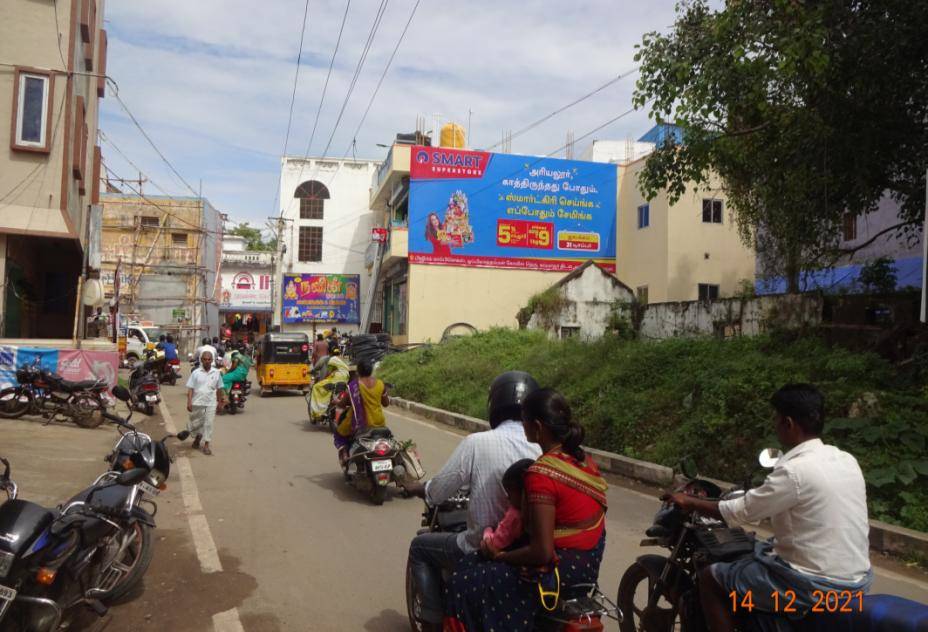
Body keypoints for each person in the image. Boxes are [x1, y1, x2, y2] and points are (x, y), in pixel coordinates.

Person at [663, 384, 873, 632]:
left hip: (810, 586)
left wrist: (689, 501)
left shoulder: (794, 470)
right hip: (857, 582)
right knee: (761, 548)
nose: (775, 425)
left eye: (776, 419)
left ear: (788, 423)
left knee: (711, 578)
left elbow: (740, 511)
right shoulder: (846, 460)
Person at [443, 387, 608, 631]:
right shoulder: (583, 462)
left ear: (538, 427)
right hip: (588, 566)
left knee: (462, 580)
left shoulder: (540, 475)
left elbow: (541, 551)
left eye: (525, 421)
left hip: (558, 570)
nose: (523, 426)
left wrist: (502, 556)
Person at [402, 371, 542, 632]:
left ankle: (432, 621)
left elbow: (439, 491)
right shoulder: (544, 446)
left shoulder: (477, 443)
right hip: (533, 546)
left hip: (480, 545)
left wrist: (421, 489)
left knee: (419, 547)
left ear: (495, 405)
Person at [333, 359, 390, 464]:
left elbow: (342, 404)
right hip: (379, 423)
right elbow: (386, 403)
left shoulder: (353, 386)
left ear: (358, 372)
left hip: (360, 424)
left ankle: (345, 454)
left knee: (339, 433)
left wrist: (336, 401)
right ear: (371, 370)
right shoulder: (380, 384)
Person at [482, 458, 534, 551]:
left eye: (509, 493)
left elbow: (496, 543)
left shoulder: (514, 515)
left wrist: (487, 532)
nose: (507, 497)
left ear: (523, 493)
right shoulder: (539, 512)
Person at [185, 349, 224, 456]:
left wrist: (220, 402)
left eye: (209, 359)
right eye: (205, 359)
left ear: (212, 360)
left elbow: (219, 388)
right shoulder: (196, 373)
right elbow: (190, 388)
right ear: (201, 360)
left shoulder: (216, 373)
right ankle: (197, 438)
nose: (207, 361)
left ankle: (206, 445)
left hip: (211, 403)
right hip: (197, 402)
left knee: (208, 423)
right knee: (196, 423)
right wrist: (189, 402)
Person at [308, 351, 350, 421]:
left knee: (316, 387)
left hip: (334, 379)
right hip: (344, 379)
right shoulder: (342, 360)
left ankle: (319, 410)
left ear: (330, 353)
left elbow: (327, 371)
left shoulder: (328, 359)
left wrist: (313, 371)